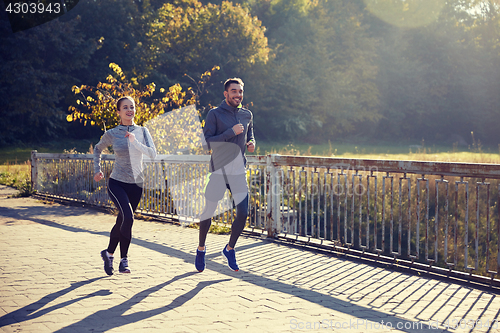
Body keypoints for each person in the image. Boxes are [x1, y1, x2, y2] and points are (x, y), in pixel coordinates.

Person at [195, 78, 255, 272]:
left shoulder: (247, 115)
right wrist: (230, 132)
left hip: (238, 171)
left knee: (243, 212)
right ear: (226, 94)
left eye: (240, 92)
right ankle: (201, 248)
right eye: (234, 91)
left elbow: (250, 133)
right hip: (219, 170)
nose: (238, 95)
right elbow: (207, 142)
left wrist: (251, 142)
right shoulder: (214, 114)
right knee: (208, 211)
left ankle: (229, 249)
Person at [94, 96, 157, 275]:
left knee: (122, 220)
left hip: (136, 184)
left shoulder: (143, 131)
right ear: (119, 112)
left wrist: (135, 142)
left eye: (132, 107)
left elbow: (153, 154)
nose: (130, 110)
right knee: (128, 218)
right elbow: (98, 149)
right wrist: (97, 170)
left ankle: (108, 254)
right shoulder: (113, 133)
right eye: (125, 107)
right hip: (117, 182)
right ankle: (124, 260)